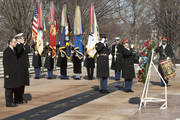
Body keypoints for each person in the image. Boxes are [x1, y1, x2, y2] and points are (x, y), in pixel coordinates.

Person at [3, 37, 21, 107]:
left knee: (12, 88)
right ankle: (8, 103)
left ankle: (11, 102)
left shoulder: (13, 50)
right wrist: (7, 73)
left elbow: (20, 51)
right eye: (14, 42)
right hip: (9, 73)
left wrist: (19, 43)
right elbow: (6, 63)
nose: (16, 43)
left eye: (16, 42)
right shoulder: (7, 51)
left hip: (13, 72)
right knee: (8, 89)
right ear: (10, 43)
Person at [14, 33, 29, 104]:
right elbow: (18, 52)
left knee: (22, 84)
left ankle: (20, 98)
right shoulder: (16, 46)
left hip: (24, 68)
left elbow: (28, 51)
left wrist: (23, 44)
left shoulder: (23, 46)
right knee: (18, 84)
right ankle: (17, 99)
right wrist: (20, 44)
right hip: (19, 68)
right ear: (18, 39)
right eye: (22, 38)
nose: (23, 40)